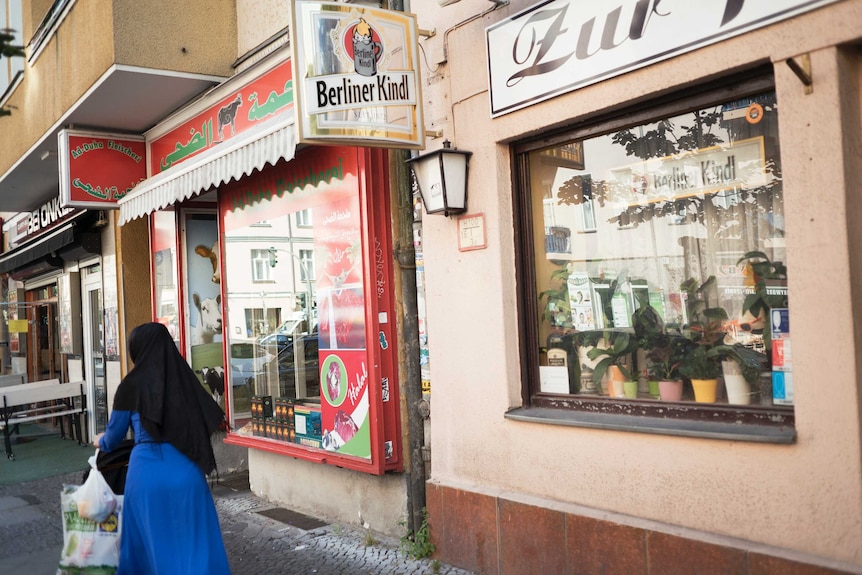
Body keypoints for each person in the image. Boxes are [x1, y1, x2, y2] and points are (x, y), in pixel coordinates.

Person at [94, 322, 230, 575]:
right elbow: (208, 422)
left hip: (146, 476)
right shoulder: (184, 381)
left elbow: (112, 439)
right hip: (187, 473)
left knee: (149, 547)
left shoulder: (130, 386)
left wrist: (99, 439)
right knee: (195, 545)